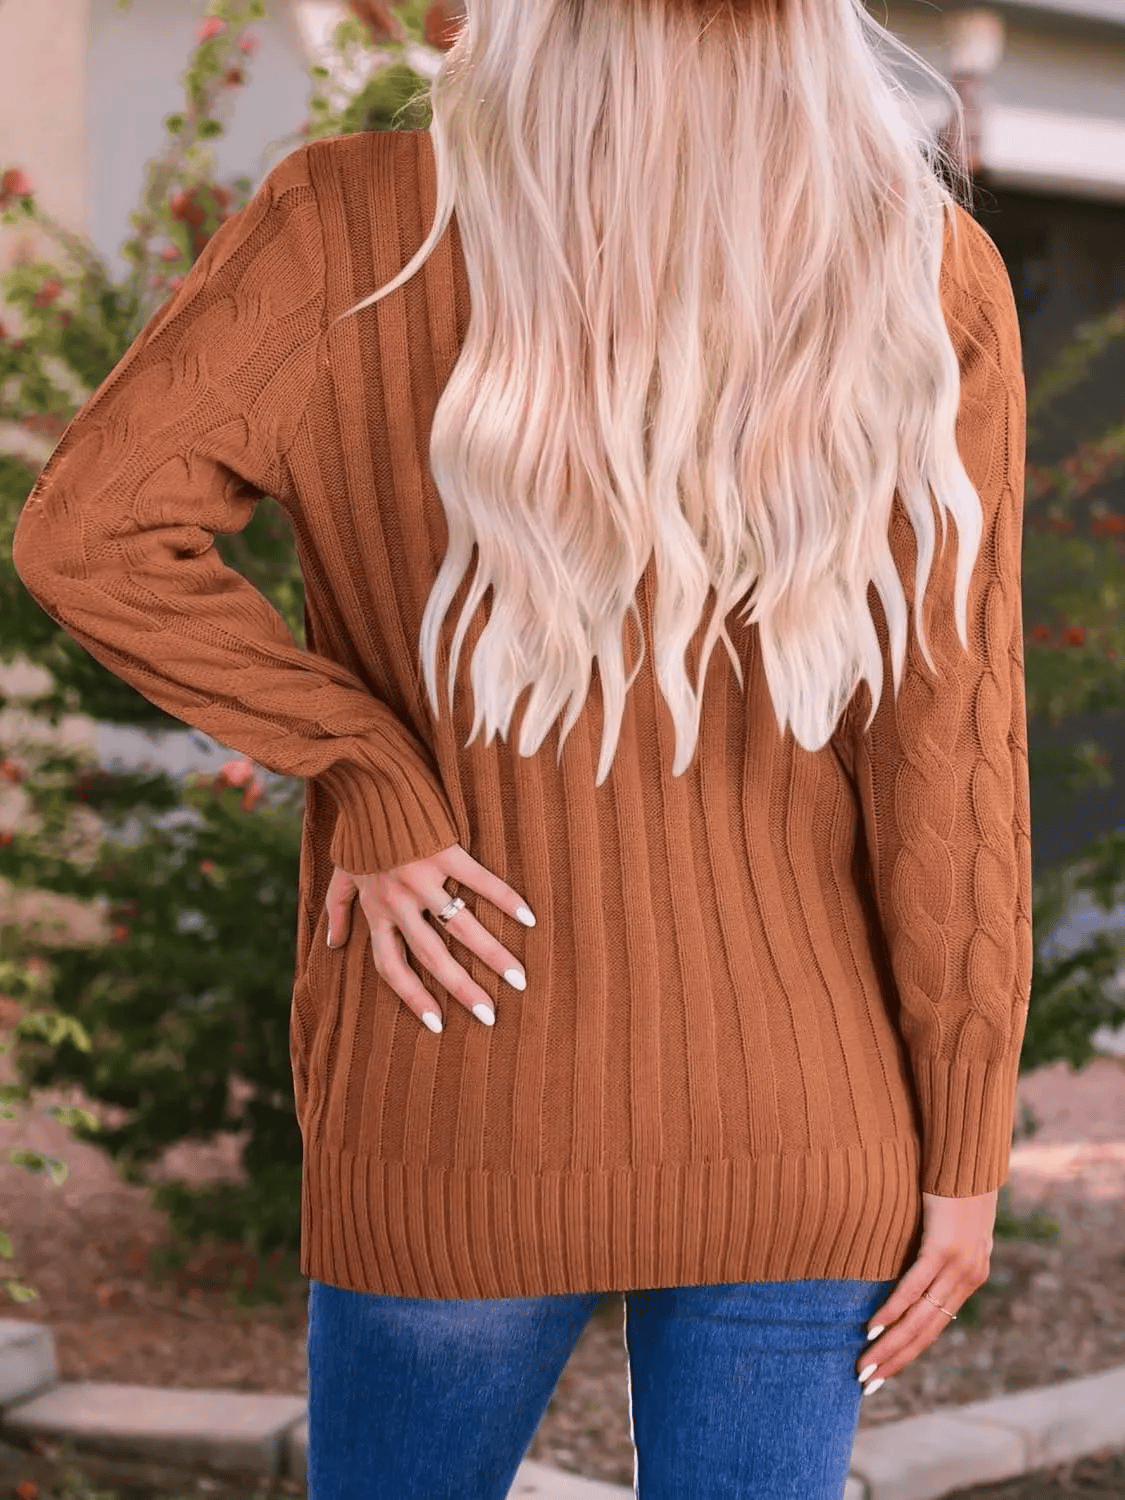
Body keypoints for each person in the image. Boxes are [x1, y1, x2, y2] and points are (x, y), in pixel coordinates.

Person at [11, 0, 1033, 1493]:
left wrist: (364, 766)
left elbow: (88, 534)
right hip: (809, 1101)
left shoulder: (352, 226)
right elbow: (952, 760)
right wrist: (964, 1150)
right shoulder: (917, 262)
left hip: (456, 1059)